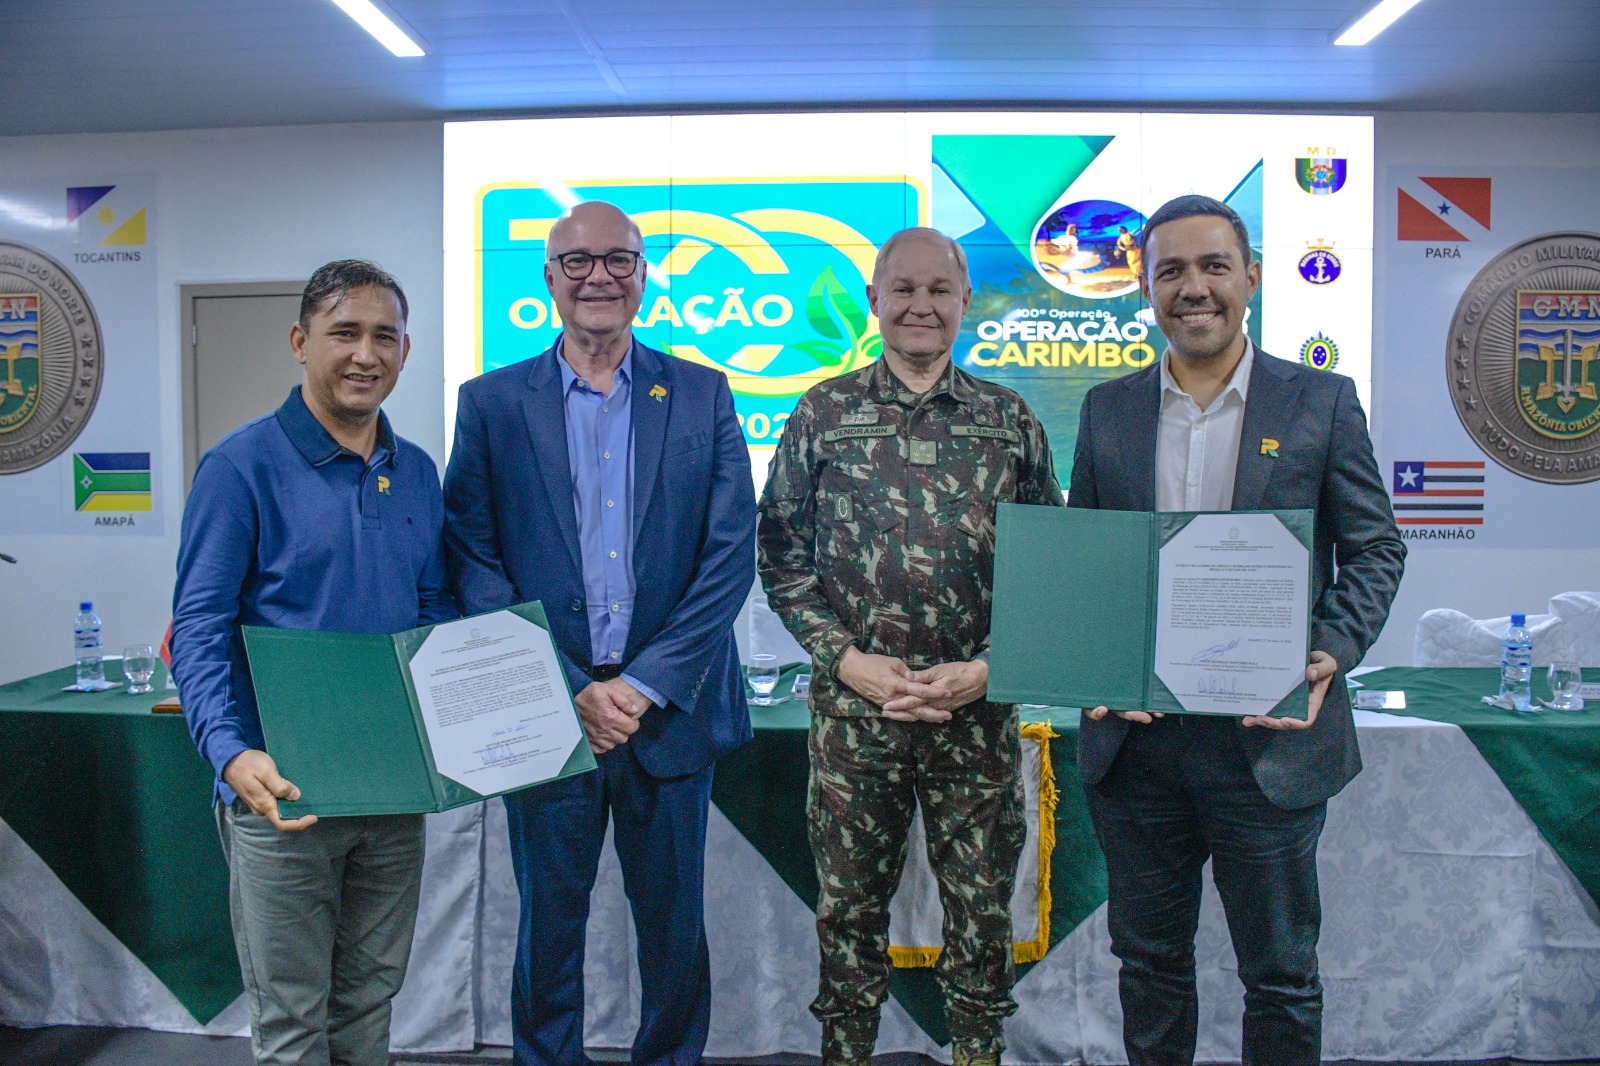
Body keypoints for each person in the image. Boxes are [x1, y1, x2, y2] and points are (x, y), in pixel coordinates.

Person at [1068, 195, 1405, 1066]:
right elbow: (1094, 565)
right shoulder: (1107, 409)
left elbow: (1374, 549)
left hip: (1270, 742)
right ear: (1145, 289)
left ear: (1251, 276)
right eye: (1170, 270)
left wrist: (1329, 649)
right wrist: (1100, 670)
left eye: (1213, 265)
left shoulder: (1322, 402)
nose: (1194, 288)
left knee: (1282, 975)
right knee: (1146, 965)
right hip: (1139, 749)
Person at [443, 200, 755, 1066]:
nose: (599, 278)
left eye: (619, 260)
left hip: (671, 710)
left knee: (674, 931)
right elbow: (475, 560)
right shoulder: (493, 403)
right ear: (548, 280)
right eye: (577, 262)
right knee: (547, 928)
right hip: (544, 710)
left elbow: (729, 556)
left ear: (644, 276)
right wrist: (567, 683)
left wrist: (642, 684)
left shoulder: (701, 392)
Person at [757, 227, 1064, 1066]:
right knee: (849, 915)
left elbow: (1054, 569)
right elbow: (780, 557)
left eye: (939, 289)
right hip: (857, 720)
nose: (921, 305)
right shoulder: (823, 412)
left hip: (977, 718)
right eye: (903, 289)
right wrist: (847, 661)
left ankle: (977, 1053)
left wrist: (992, 669)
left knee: (981, 915)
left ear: (965, 302)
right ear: (875, 300)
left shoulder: (1009, 421)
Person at [172, 260, 455, 1066]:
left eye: (384, 336)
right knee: (293, 1020)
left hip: (394, 789)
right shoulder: (240, 467)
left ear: (405, 350)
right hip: (282, 793)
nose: (366, 354)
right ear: (301, 342)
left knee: (369, 1003)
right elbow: (197, 626)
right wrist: (229, 754)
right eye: (344, 333)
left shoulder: (419, 472)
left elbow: (431, 608)